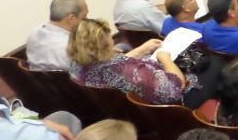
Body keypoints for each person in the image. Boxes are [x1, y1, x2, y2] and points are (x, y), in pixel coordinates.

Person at [68, 18, 197, 105]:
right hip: (172, 105)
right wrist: (165, 58)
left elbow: (113, 64)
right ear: (104, 44)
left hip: (116, 109)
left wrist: (141, 50)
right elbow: (174, 90)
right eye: (109, 36)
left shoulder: (75, 66)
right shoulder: (130, 71)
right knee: (207, 68)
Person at [26, 0, 89, 71]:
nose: (87, 21)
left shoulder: (34, 33)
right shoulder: (71, 48)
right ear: (71, 19)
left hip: (35, 78)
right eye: (84, 17)